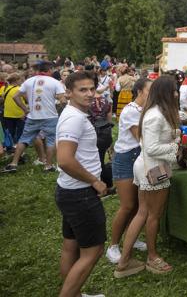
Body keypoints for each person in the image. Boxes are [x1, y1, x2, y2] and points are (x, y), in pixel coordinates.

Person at [115, 76, 180, 278]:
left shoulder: (154, 113)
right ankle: (152, 257)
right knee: (153, 215)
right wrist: (175, 146)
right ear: (166, 93)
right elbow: (151, 147)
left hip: (149, 167)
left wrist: (174, 133)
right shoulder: (155, 115)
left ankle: (124, 262)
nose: (176, 93)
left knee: (143, 213)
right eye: (174, 90)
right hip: (154, 169)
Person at [55, 71, 107, 297]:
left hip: (69, 191)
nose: (89, 94)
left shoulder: (74, 113)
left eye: (91, 89)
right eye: (82, 90)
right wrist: (95, 181)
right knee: (93, 250)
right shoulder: (74, 118)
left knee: (71, 246)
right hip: (80, 194)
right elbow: (65, 160)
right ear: (69, 92)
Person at [106, 78, 152, 264]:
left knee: (138, 205)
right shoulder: (130, 111)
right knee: (127, 205)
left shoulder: (145, 110)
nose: (153, 94)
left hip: (139, 157)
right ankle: (113, 246)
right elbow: (141, 137)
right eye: (150, 90)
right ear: (140, 91)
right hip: (126, 159)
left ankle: (132, 238)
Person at [4, 61, 65, 173]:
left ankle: (13, 164)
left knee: (23, 140)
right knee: (51, 141)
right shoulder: (55, 82)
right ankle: (48, 166)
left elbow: (16, 96)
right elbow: (63, 100)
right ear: (49, 70)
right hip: (50, 116)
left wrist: (26, 110)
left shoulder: (29, 81)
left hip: (33, 116)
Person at [0, 73, 25, 154]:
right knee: (20, 133)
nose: (21, 81)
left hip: (7, 114)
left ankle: (9, 147)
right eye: (20, 80)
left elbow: (2, 98)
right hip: (20, 114)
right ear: (16, 81)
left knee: (10, 132)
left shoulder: (4, 88)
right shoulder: (20, 89)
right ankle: (18, 149)